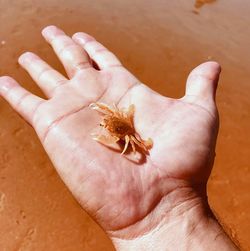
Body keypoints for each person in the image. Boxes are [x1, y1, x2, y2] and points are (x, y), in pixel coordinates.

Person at [0, 25, 239, 250]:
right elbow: (112, 114)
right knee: (112, 116)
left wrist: (170, 212)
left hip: (130, 132)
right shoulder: (113, 115)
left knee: (121, 127)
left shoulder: (130, 133)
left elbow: (126, 137)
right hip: (124, 123)